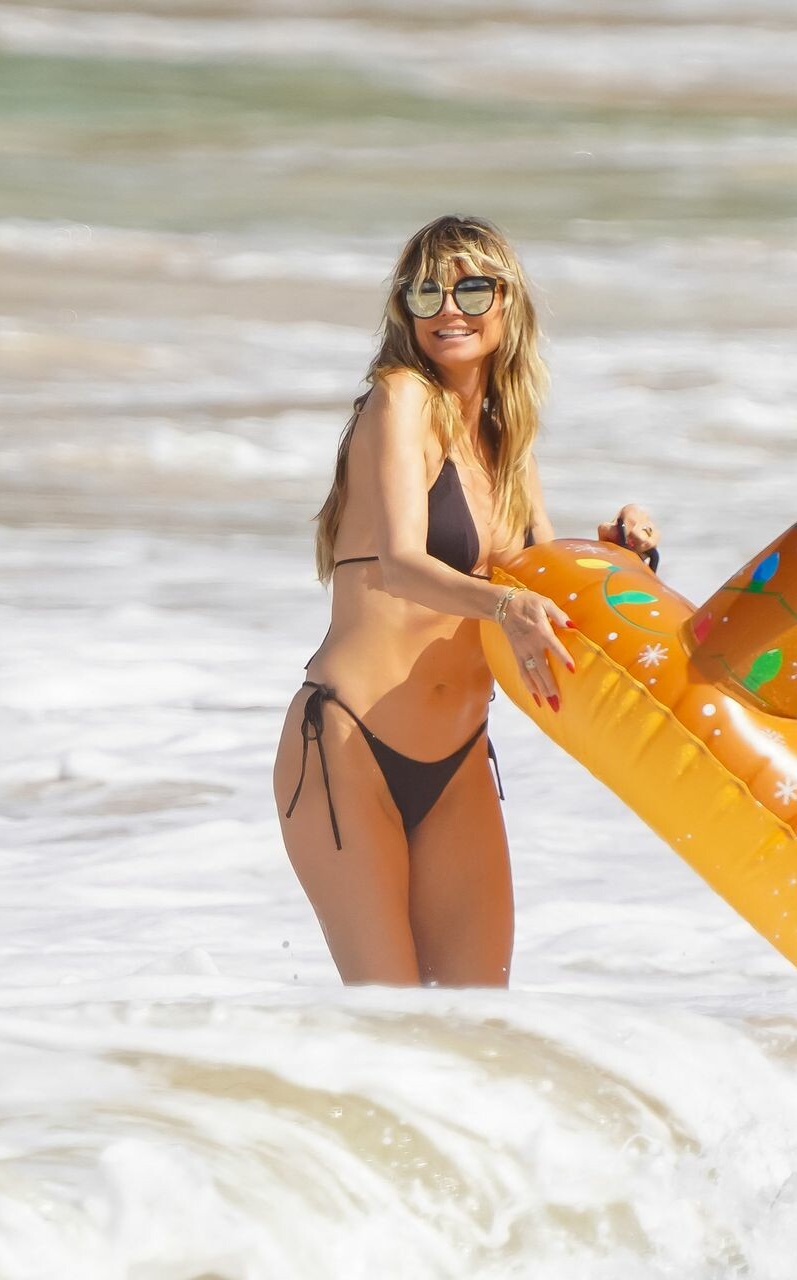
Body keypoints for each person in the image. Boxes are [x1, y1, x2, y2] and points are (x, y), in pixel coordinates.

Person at [274, 215, 660, 988]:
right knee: (395, 1024)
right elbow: (402, 564)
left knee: (477, 1026)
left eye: (471, 289)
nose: (448, 309)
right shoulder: (401, 399)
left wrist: (623, 554)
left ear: (507, 302)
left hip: (458, 763)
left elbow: (546, 587)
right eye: (427, 293)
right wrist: (503, 607)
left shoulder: (508, 439)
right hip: (349, 746)